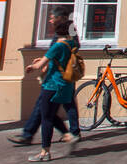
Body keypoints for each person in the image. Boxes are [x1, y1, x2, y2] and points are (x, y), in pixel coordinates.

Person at [11, 11, 81, 147]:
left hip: (56, 80)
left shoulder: (63, 37)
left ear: (60, 18)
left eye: (52, 18)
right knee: (52, 108)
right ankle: (70, 133)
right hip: (64, 78)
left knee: (48, 110)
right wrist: (47, 59)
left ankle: (43, 142)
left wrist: (42, 63)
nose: (50, 21)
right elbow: (64, 51)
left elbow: (59, 52)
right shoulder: (67, 37)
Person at [23, 19, 78, 162]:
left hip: (52, 85)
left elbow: (40, 65)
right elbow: (60, 59)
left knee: (46, 117)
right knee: (49, 113)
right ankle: (67, 135)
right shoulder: (71, 44)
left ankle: (44, 152)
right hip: (66, 84)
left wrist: (31, 67)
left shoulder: (57, 46)